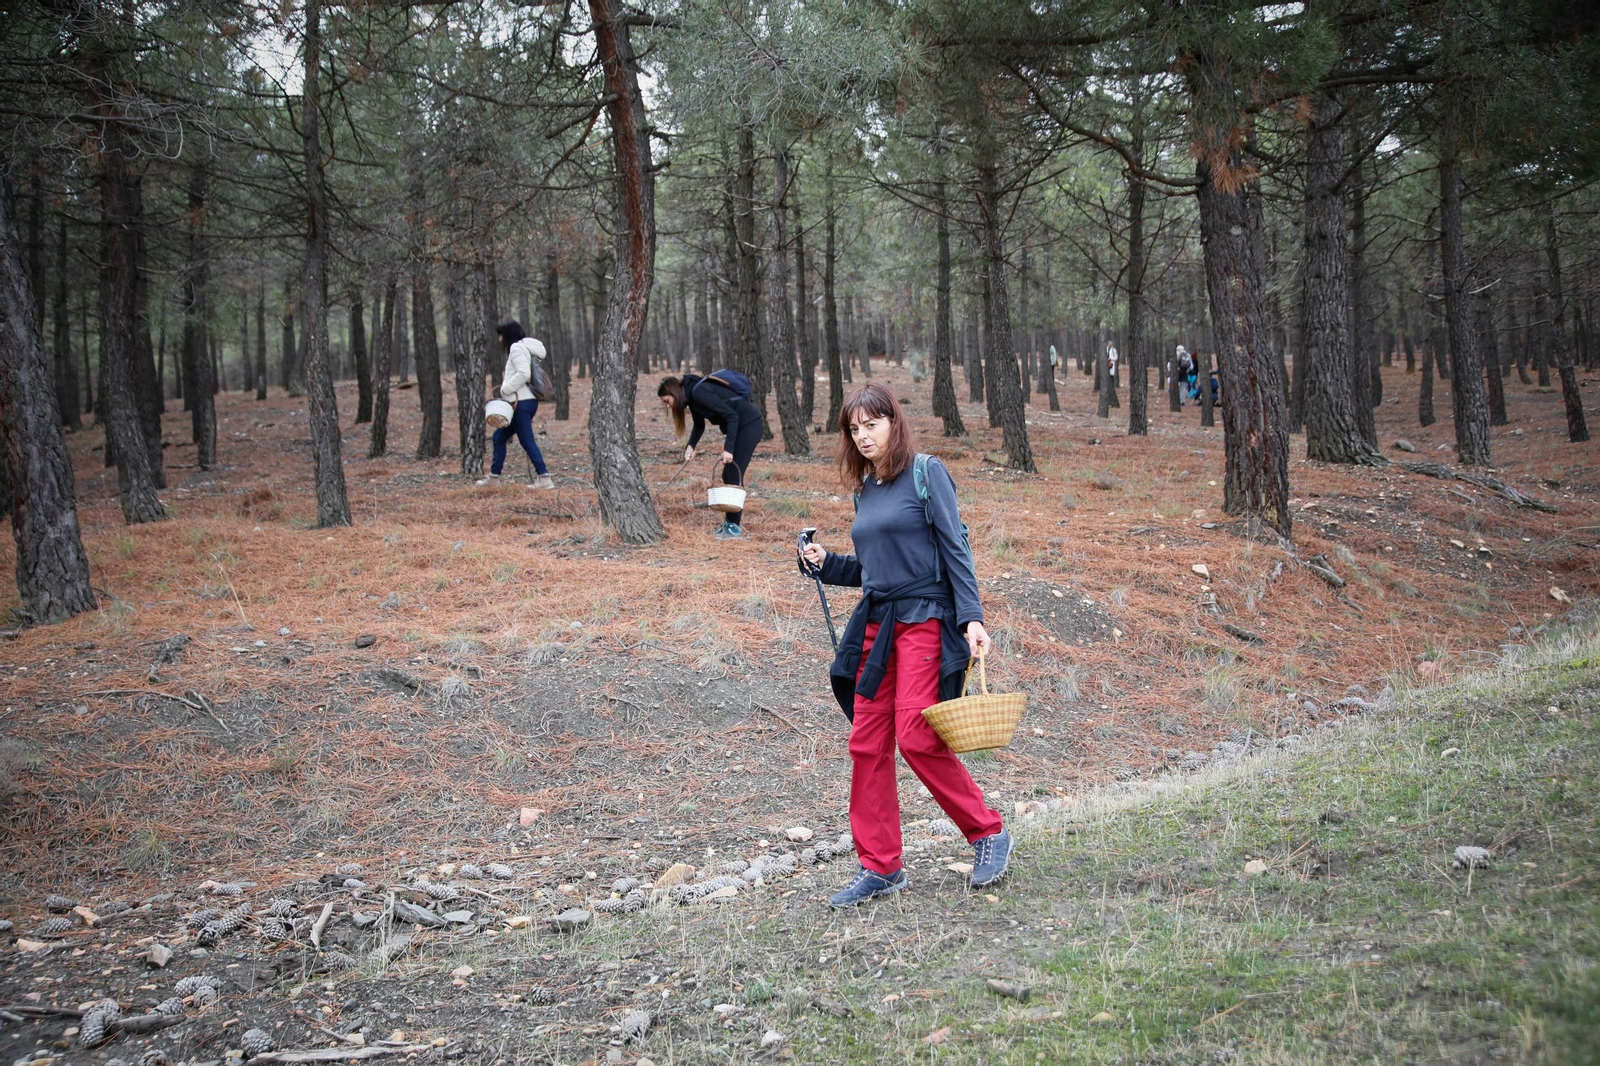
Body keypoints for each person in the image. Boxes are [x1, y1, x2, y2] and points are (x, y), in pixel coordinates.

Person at [798, 382, 1012, 907]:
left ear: (893, 422)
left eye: (872, 424)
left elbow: (954, 547)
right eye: (854, 428)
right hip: (879, 626)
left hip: (925, 620)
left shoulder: (926, 472)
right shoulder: (866, 490)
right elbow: (874, 573)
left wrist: (972, 617)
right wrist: (827, 564)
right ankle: (881, 867)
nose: (863, 436)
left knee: (915, 734)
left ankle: (988, 832)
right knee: (867, 742)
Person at [658, 372, 763, 538]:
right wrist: (690, 446)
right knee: (729, 474)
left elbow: (732, 416)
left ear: (674, 393)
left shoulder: (700, 393)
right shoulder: (692, 396)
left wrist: (728, 449)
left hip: (749, 426)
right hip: (740, 428)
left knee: (733, 474)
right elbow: (699, 425)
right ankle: (730, 524)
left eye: (667, 401)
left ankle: (733, 527)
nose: (668, 406)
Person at [479, 321, 553, 489]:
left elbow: (523, 373)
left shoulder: (516, 348)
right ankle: (494, 478)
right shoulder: (523, 348)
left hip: (521, 403)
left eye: (501, 335)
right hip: (522, 403)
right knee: (499, 438)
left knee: (526, 441)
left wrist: (506, 388)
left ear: (507, 335)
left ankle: (545, 477)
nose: (499, 339)